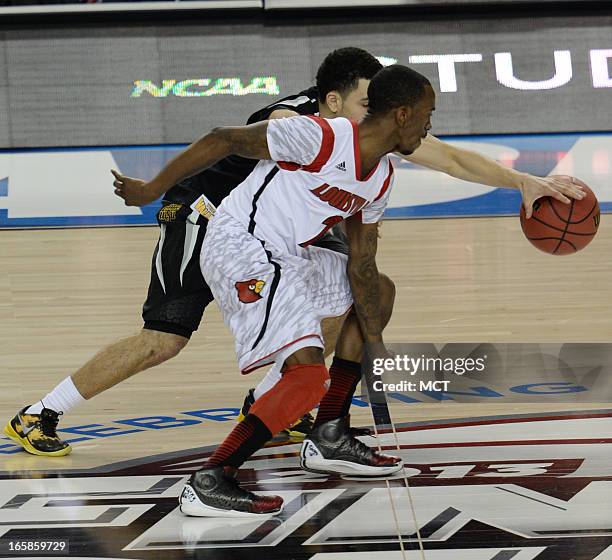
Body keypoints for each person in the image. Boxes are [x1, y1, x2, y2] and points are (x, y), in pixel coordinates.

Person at [4, 48, 584, 458]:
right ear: (334, 99)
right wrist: (152, 190)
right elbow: (231, 137)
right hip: (205, 218)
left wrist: (525, 183)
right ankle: (41, 413)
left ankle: (270, 404)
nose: (374, 107)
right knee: (164, 339)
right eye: (366, 98)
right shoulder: (299, 122)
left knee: (347, 293)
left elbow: (450, 157)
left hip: (272, 237)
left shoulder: (361, 132)